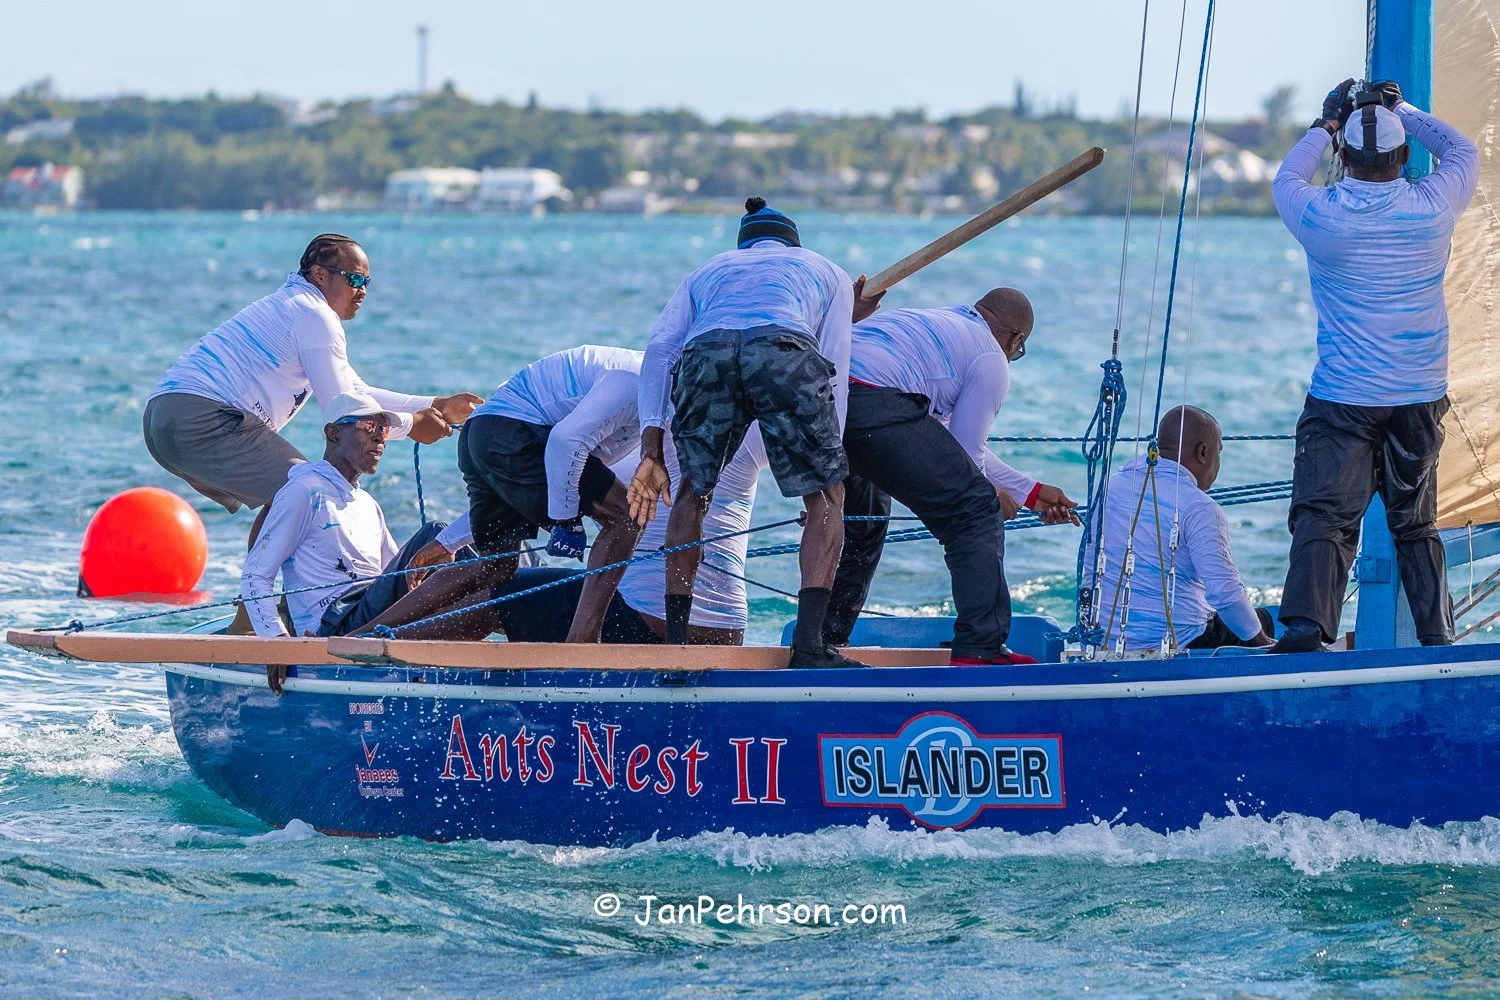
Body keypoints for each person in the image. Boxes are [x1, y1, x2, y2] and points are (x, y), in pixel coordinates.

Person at [1269, 79, 1479, 653]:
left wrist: (1326, 123)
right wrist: (1402, 109)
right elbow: (1465, 151)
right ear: (1404, 156)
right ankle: (1437, 641)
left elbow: (1286, 178)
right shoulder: (1433, 206)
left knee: (1326, 518)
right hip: (1418, 396)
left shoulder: (1321, 217)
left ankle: (1308, 632)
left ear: (1343, 157)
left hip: (1344, 398)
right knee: (1416, 525)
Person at [628, 197, 883, 668]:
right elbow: (834, 368)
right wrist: (826, 472)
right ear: (793, 242)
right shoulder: (826, 270)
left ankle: (676, 648)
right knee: (827, 500)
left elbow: (661, 347)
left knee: (693, 494)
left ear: (743, 246)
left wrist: (652, 447)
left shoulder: (707, 271)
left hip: (707, 353)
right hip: (782, 350)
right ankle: (809, 648)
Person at [144, 233, 480, 523]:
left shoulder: (296, 306)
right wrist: (410, 425)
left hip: (162, 418)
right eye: (354, 279)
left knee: (291, 497)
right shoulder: (315, 315)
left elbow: (354, 390)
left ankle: (258, 596)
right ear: (319, 274)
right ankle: (276, 597)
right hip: (200, 418)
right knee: (314, 491)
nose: (362, 291)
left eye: (367, 283)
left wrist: (435, 405)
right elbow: (345, 411)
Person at [822, 293, 1077, 665]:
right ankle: (981, 649)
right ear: (1015, 340)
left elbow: (948, 444)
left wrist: (1030, 492)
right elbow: (965, 457)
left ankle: (822, 641)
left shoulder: (939, 326)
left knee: (867, 522)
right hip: (874, 402)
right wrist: (992, 498)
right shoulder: (991, 356)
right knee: (975, 511)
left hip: (822, 400)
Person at [358, 345, 647, 642]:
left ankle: (364, 639)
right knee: (624, 518)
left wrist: (448, 540)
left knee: (496, 568)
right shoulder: (635, 380)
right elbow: (562, 443)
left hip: (484, 432)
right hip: (515, 431)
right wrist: (567, 522)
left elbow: (541, 479)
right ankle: (582, 643)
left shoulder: (646, 404)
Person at [240, 393, 488, 689]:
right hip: (334, 623)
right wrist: (276, 642)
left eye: (384, 430)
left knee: (499, 553)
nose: (380, 438)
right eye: (370, 426)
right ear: (334, 433)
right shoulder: (304, 491)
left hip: (373, 612)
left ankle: (515, 620)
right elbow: (256, 573)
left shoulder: (368, 503)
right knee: (435, 533)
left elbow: (396, 575)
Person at [493, 432, 769, 646]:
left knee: (493, 594)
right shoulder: (742, 422)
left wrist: (449, 543)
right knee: (530, 571)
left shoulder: (620, 434)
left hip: (640, 621)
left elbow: (532, 492)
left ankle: (451, 681)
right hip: (728, 630)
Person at [1089, 406, 1273, 653]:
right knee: (1264, 621)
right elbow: (1225, 594)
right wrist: (1264, 644)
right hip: (1177, 641)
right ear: (1203, 451)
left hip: (1105, 639)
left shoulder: (1112, 485)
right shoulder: (1199, 506)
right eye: (1218, 453)